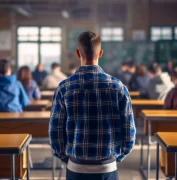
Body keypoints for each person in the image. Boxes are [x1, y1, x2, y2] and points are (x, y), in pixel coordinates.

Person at [49, 32, 136, 180]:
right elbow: (129, 131)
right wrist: (118, 157)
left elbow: (55, 132)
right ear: (101, 53)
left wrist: (65, 157)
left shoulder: (64, 87)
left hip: (75, 166)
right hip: (107, 167)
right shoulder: (118, 87)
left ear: (78, 53)